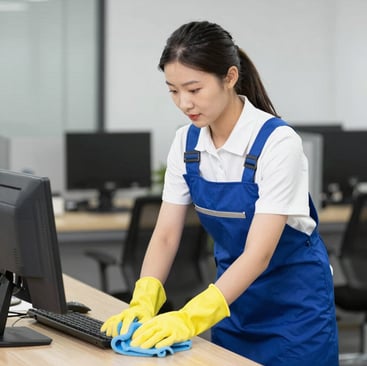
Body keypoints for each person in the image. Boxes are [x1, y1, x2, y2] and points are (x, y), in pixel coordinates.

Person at [101, 20, 339, 365]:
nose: (184, 102)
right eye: (173, 90)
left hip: (294, 312)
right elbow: (166, 235)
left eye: (194, 89)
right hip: (231, 305)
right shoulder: (187, 143)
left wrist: (191, 316)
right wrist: (144, 295)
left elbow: (259, 253)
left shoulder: (277, 142)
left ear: (229, 77)